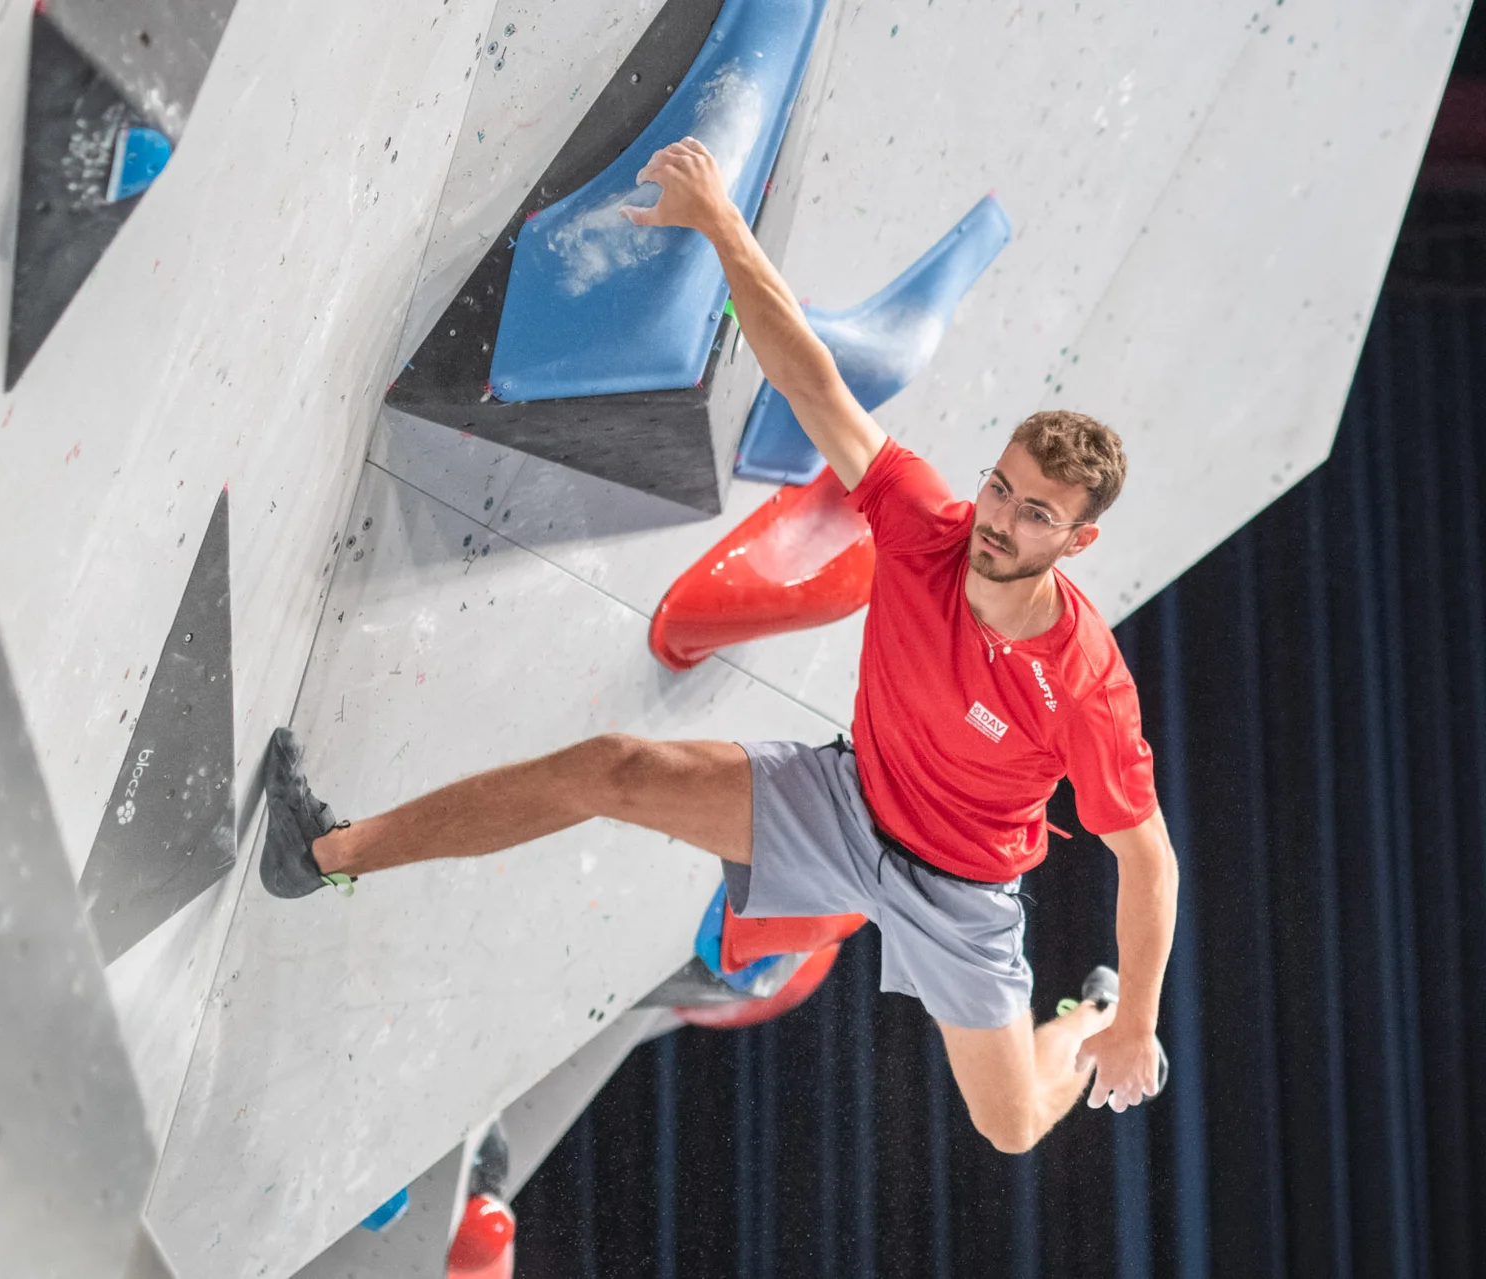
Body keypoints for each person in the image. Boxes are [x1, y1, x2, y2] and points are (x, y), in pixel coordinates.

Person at [261, 138, 1177, 1154]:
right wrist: (722, 225)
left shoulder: (1084, 682)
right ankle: (324, 852)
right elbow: (816, 381)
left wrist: (1132, 1020)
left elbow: (1148, 860)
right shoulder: (929, 524)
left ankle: (1079, 1023)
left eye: (1034, 513)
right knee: (614, 768)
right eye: (1000, 486)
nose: (998, 519)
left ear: (1077, 539)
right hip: (846, 804)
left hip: (961, 893)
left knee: (1011, 1126)